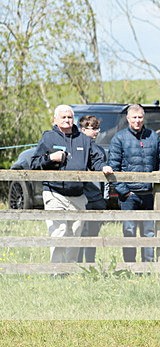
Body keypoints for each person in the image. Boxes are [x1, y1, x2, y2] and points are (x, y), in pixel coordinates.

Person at [28, 105, 111, 263]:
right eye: (63, 117)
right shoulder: (49, 137)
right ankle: (56, 270)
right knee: (59, 232)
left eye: (69, 117)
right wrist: (51, 158)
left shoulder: (84, 139)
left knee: (74, 234)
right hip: (54, 192)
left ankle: (70, 270)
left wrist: (103, 167)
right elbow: (34, 163)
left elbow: (95, 160)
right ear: (55, 120)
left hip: (78, 195)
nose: (67, 120)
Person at [107, 104, 160, 262]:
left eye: (140, 117)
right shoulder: (119, 138)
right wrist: (124, 191)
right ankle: (130, 266)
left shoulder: (153, 136)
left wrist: (157, 187)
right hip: (128, 196)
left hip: (148, 194)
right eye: (134, 117)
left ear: (143, 118)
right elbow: (113, 168)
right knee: (129, 231)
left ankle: (148, 266)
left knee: (149, 232)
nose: (137, 121)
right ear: (128, 118)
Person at [77, 115, 107, 263]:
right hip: (83, 196)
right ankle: (77, 263)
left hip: (97, 198)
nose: (96, 132)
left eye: (97, 128)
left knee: (93, 234)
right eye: (93, 128)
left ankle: (90, 263)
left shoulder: (100, 149)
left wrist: (104, 197)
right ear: (83, 129)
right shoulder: (78, 148)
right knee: (81, 232)